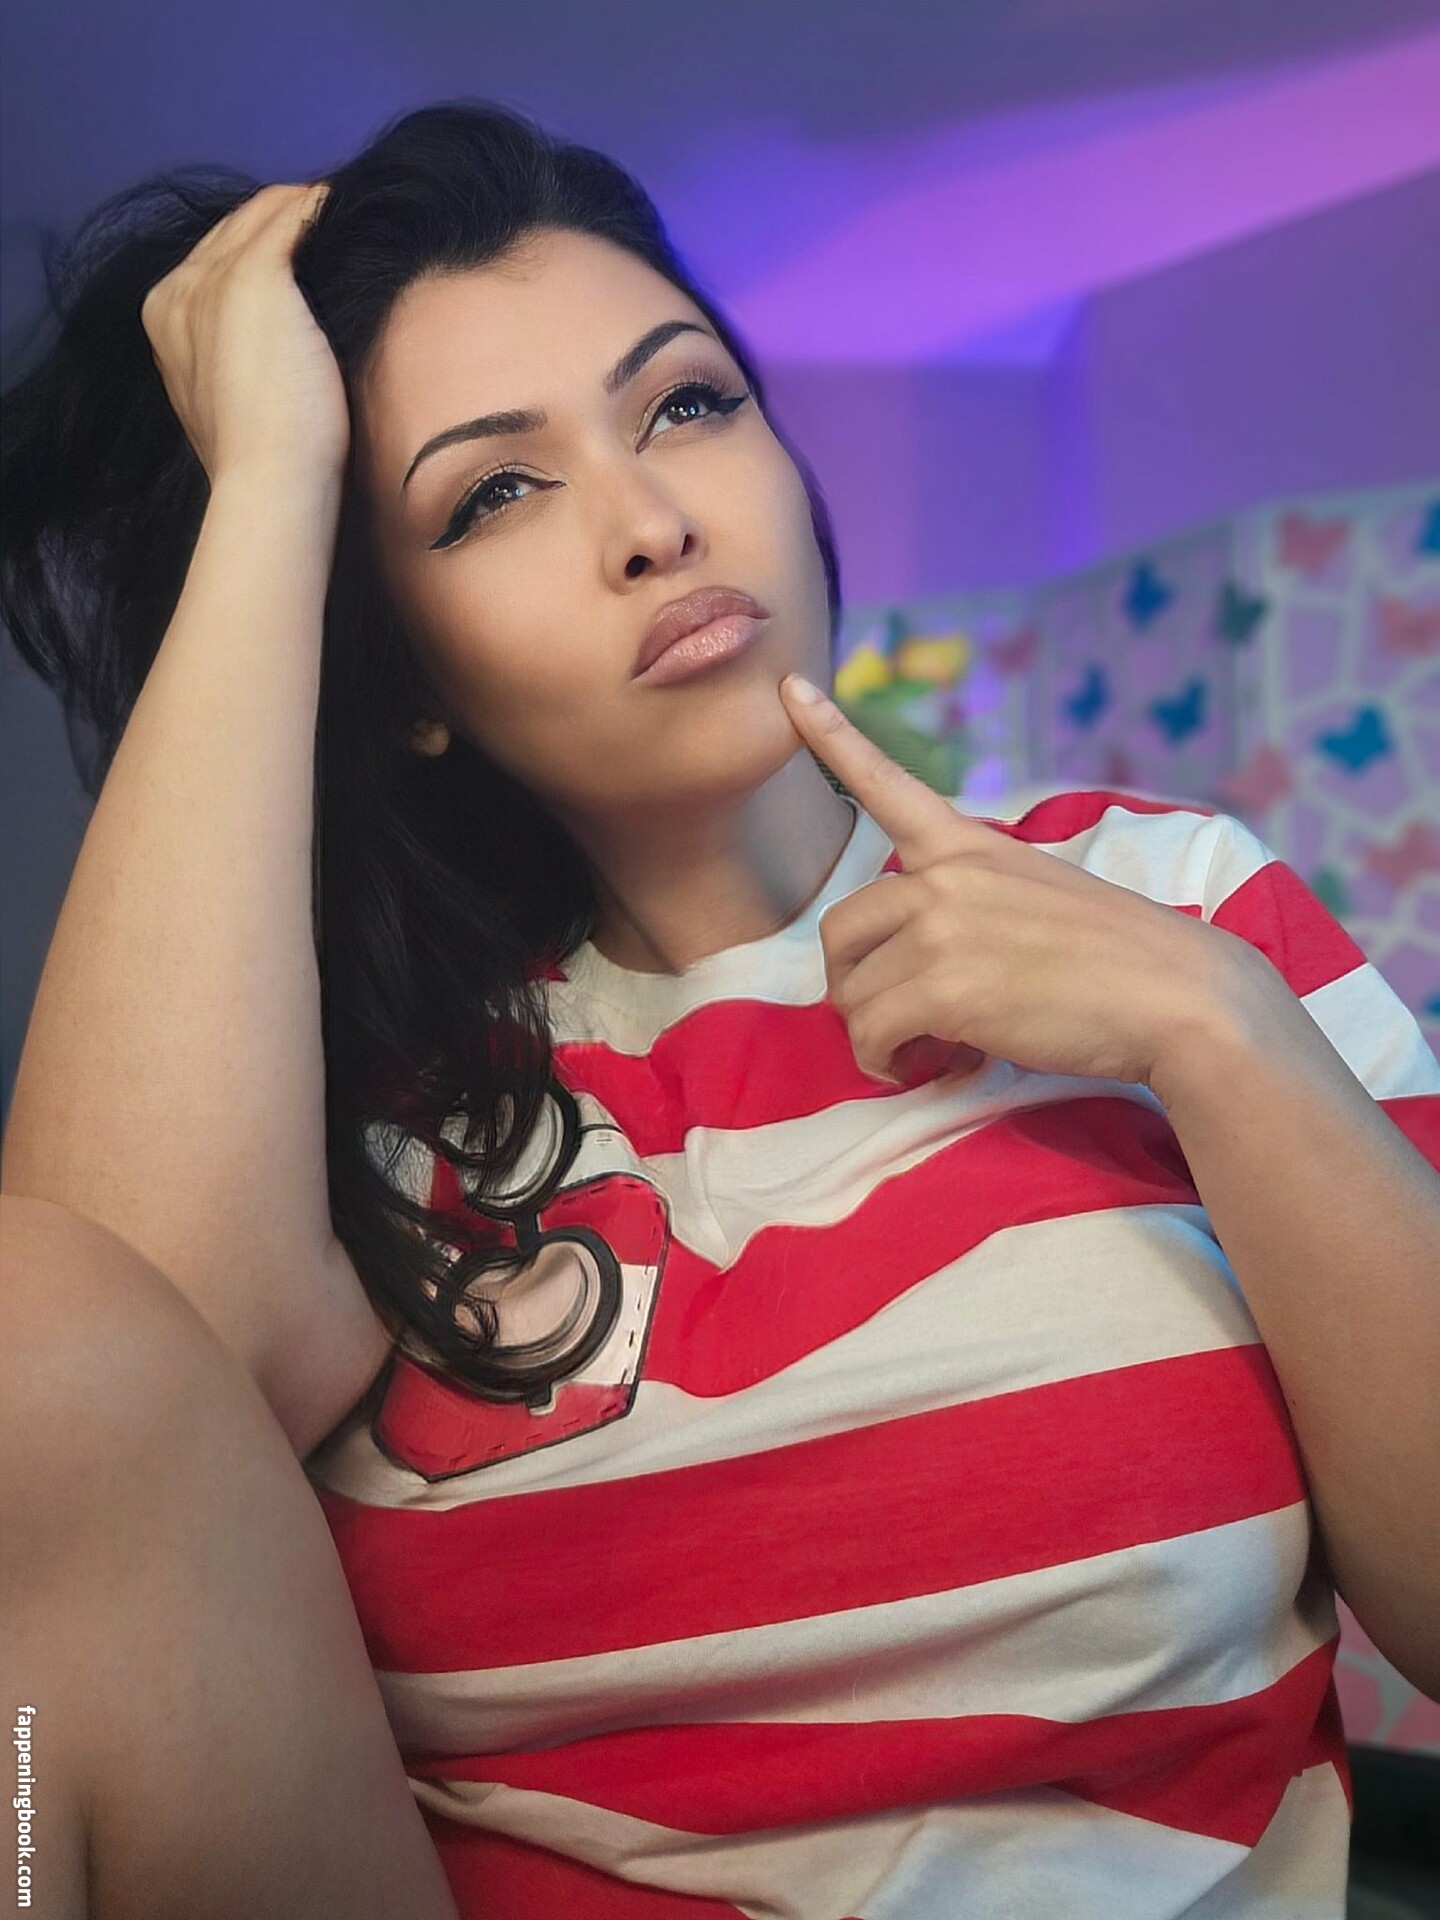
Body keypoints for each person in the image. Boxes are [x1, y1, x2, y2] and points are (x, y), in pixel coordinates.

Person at [2, 98, 1438, 1920]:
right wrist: (278, 477)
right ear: (405, 677)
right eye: (492, 494)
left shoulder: (1177, 905)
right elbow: (86, 1410)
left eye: (685, 402)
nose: (652, 523)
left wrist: (1215, 1028)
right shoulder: (370, 1129)